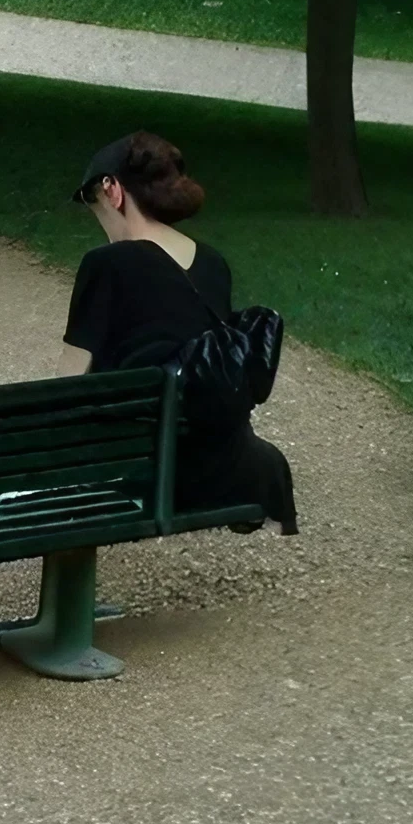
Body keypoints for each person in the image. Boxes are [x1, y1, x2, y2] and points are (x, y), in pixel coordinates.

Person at [57, 132, 298, 535]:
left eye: (90, 201)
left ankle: (67, 588)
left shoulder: (107, 264)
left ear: (111, 189)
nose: (94, 214)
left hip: (137, 470)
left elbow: (65, 387)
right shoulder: (213, 265)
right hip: (217, 468)